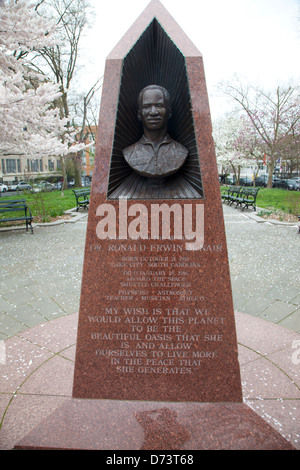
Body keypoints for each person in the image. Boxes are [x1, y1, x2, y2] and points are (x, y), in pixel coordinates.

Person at [122, 85, 188, 186]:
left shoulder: (181, 152)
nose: (153, 112)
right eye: (147, 107)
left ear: (169, 112)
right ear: (139, 114)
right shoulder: (129, 153)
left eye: (159, 106)